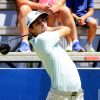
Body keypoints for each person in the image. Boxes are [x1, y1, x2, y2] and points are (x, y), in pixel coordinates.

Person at [26, 10, 84, 100]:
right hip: (60, 97)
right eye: (37, 22)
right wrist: (51, 28)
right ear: (31, 29)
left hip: (76, 95)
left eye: (43, 20)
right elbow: (67, 29)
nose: (42, 23)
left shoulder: (40, 39)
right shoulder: (42, 39)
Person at [16, 0, 85, 52]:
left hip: (53, 17)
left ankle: (75, 43)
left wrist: (58, 5)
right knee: (24, 8)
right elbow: (19, 1)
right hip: (36, 18)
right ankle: (25, 44)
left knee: (65, 10)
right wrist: (40, 6)